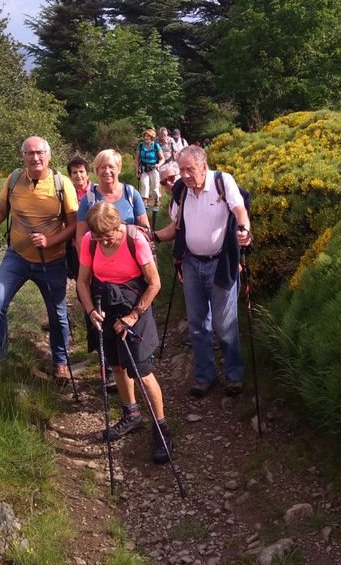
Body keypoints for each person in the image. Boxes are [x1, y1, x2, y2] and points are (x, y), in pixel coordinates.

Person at [76, 202, 173, 464]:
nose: (104, 241)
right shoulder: (90, 241)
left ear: (119, 225)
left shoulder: (135, 239)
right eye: (99, 236)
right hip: (105, 305)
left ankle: (161, 427)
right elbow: (82, 281)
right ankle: (132, 414)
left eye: (109, 235)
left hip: (134, 304)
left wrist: (132, 317)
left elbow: (154, 283)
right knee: (116, 365)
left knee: (141, 371)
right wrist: (89, 310)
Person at [152, 145, 251, 397]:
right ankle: (204, 376)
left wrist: (244, 230)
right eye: (181, 169)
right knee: (197, 324)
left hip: (221, 263)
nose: (184, 175)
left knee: (225, 324)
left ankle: (233, 375)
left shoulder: (222, 181)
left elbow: (239, 209)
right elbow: (175, 227)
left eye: (190, 169)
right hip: (192, 263)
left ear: (203, 167)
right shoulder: (181, 191)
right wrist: (151, 237)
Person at [0, 136, 78, 383]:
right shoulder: (13, 179)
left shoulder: (61, 184)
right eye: (29, 153)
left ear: (49, 155)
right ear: (22, 156)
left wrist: (50, 241)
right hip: (17, 257)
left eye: (40, 153)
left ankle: (60, 362)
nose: (35, 158)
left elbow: (74, 225)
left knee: (57, 314)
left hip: (52, 259)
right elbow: (2, 210)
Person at [77, 149, 150, 392]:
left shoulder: (131, 193)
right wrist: (90, 265)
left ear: (118, 168)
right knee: (107, 330)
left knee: (132, 334)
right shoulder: (88, 199)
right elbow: (81, 237)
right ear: (95, 171)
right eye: (101, 167)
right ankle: (112, 370)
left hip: (133, 270)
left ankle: (136, 363)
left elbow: (145, 229)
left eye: (111, 167)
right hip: (102, 277)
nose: (106, 171)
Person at [134, 128, 164, 208]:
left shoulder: (155, 146)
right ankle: (144, 202)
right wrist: (137, 170)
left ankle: (156, 201)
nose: (146, 138)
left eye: (148, 136)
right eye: (145, 136)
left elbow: (162, 158)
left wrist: (159, 164)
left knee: (155, 186)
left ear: (152, 137)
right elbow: (136, 159)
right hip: (144, 168)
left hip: (154, 168)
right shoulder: (140, 146)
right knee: (144, 184)